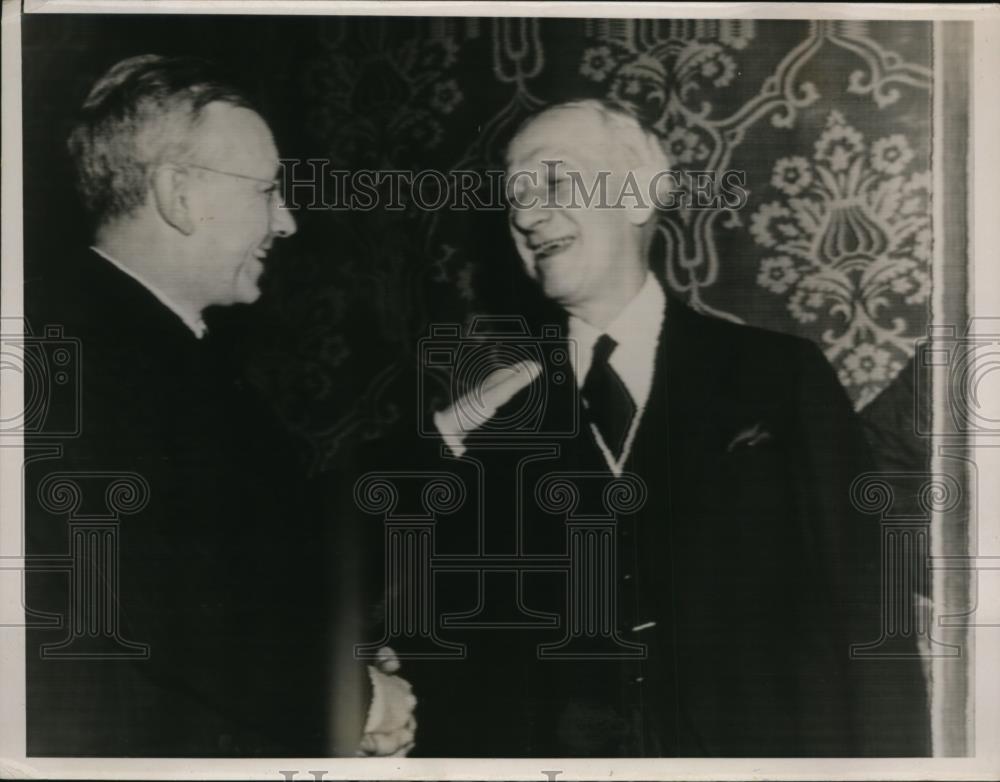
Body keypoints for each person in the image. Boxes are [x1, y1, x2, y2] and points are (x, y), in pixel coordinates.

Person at [398, 98, 929, 756]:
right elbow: (437, 647)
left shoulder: (779, 377)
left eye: (555, 181)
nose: (527, 216)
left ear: (641, 193)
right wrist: (441, 447)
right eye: (515, 198)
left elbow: (870, 613)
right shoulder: (494, 422)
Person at [24, 54, 413, 757]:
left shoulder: (159, 349)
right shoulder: (69, 356)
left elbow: (269, 556)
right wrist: (346, 698)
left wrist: (444, 434)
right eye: (265, 191)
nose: (287, 221)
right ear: (178, 194)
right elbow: (153, 606)